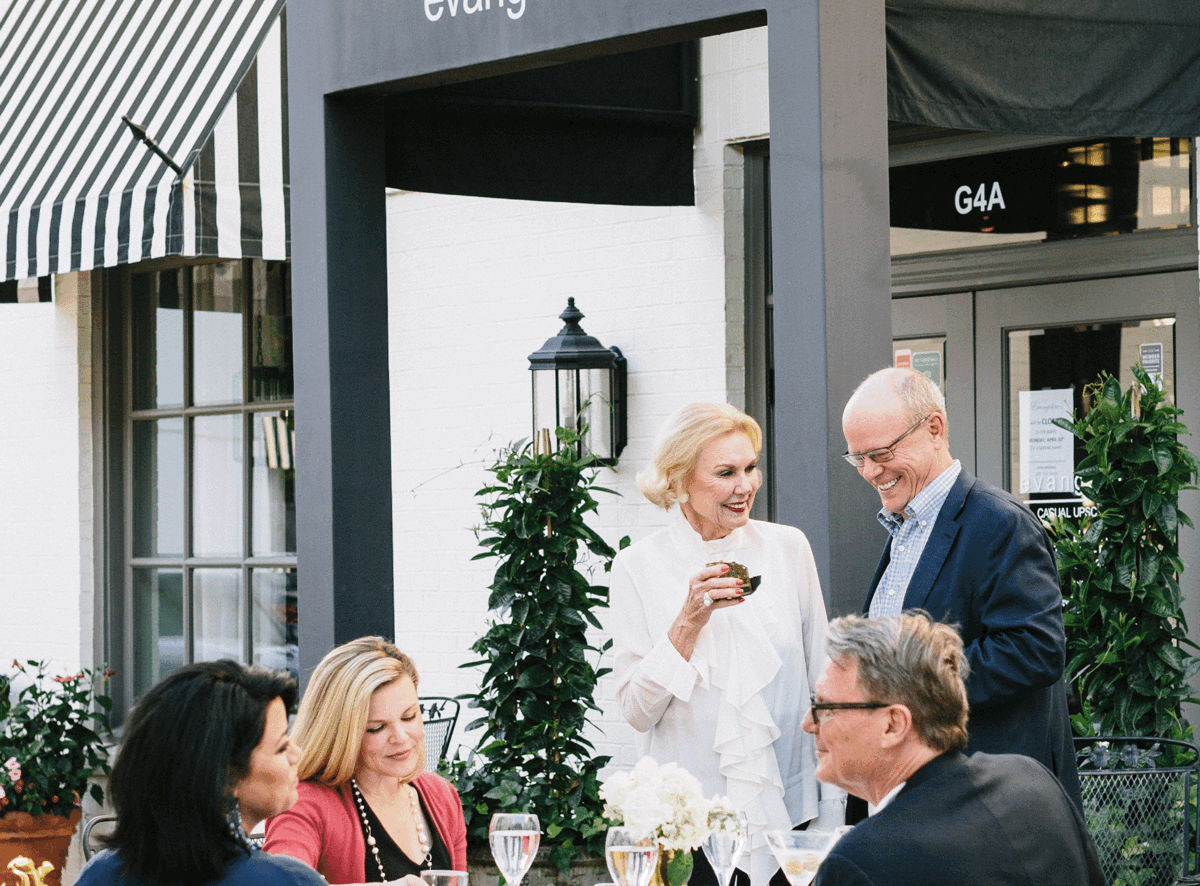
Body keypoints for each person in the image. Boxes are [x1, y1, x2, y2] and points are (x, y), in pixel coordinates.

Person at [608, 402, 841, 886]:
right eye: (725, 472)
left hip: (787, 818)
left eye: (751, 467)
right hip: (688, 835)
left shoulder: (789, 549)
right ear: (678, 481)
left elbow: (827, 685)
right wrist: (689, 621)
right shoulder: (636, 568)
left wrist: (830, 816)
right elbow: (636, 711)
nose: (746, 486)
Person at [840, 367, 1082, 811]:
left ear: (934, 428)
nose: (870, 472)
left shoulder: (999, 523)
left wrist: (912, 690)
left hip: (982, 803)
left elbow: (1036, 650)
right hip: (913, 796)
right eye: (858, 458)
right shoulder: (905, 526)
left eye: (882, 452)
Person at [805, 612, 1103, 886]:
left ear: (894, 724)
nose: (809, 723)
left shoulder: (858, 864)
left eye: (825, 707)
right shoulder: (1033, 782)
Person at [77, 660, 326, 886]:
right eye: (282, 746)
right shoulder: (287, 881)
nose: (298, 755)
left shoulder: (99, 875)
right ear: (226, 777)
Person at [264, 638, 467, 884]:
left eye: (409, 716)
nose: (400, 738)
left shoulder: (441, 796)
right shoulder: (304, 803)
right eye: (377, 728)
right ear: (340, 733)